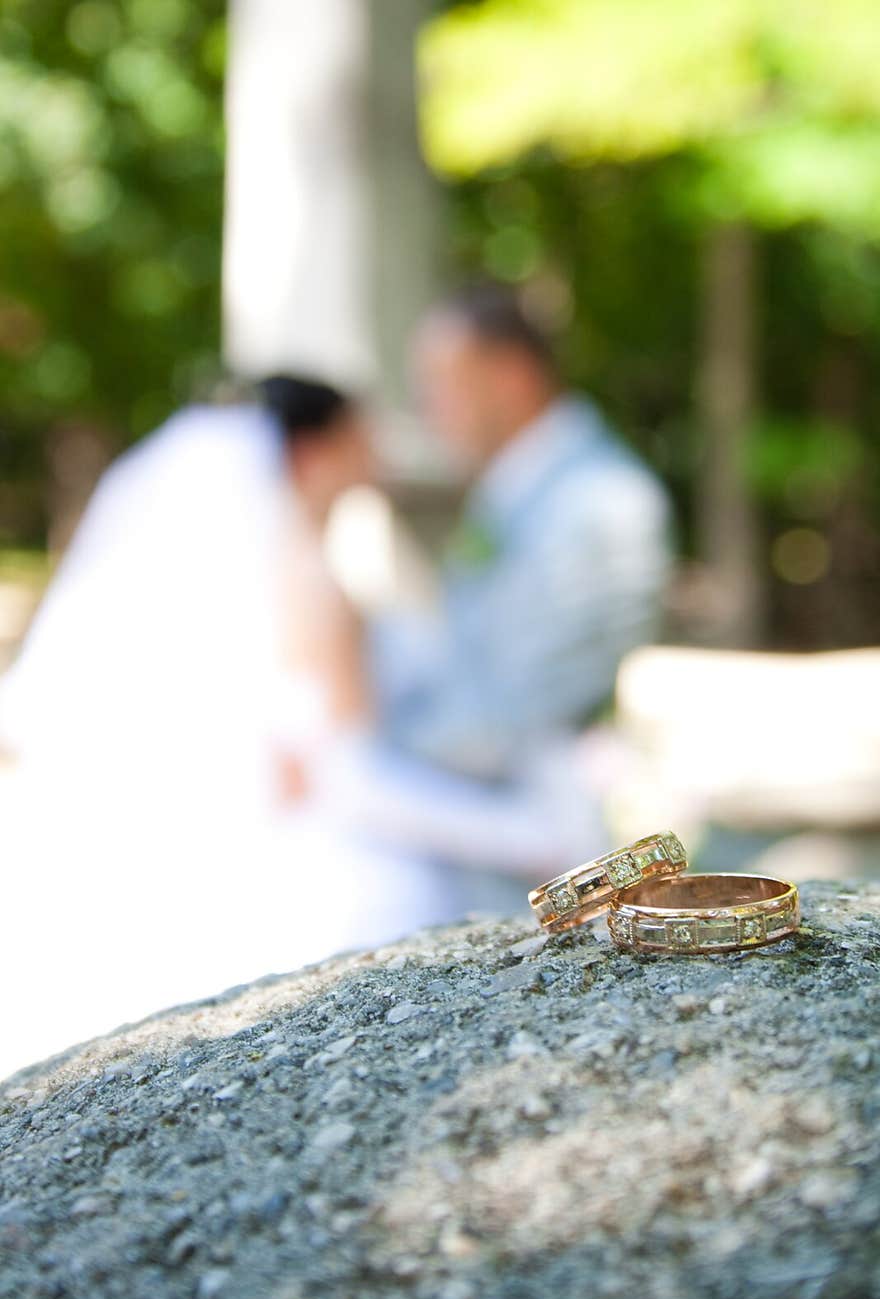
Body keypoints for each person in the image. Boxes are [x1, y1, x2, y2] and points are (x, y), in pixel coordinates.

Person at [0, 379, 440, 1079]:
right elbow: (353, 759)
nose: (379, 456)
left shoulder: (253, 559)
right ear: (311, 448)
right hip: (305, 855)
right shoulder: (304, 575)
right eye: (362, 436)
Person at [351, 283, 673, 915]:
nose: (428, 408)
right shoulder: (515, 493)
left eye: (441, 383)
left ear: (511, 375)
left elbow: (516, 710)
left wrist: (363, 754)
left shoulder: (603, 504)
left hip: (538, 872)